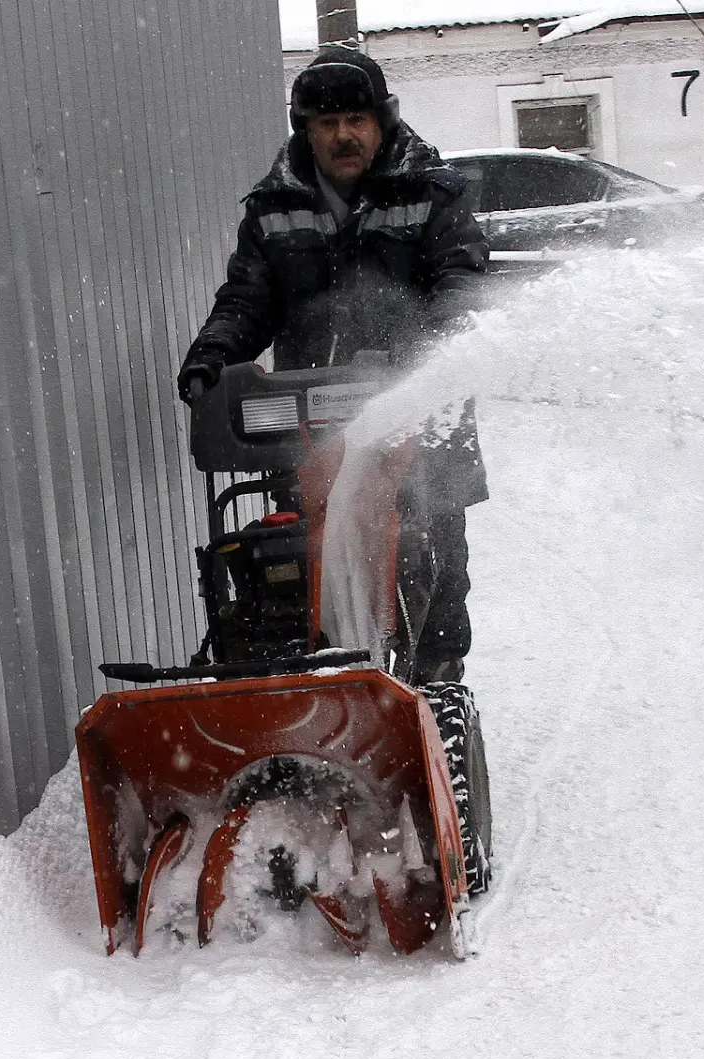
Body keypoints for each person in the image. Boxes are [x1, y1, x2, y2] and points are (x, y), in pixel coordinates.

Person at [178, 46, 488, 684]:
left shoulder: (433, 192)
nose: (344, 134)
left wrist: (425, 357)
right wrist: (213, 359)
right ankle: (314, 685)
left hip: (420, 412)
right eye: (327, 122)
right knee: (304, 558)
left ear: (382, 120)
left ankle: (432, 691)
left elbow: (460, 282)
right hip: (313, 419)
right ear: (305, 131)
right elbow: (246, 301)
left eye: (357, 118)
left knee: (426, 558)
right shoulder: (273, 209)